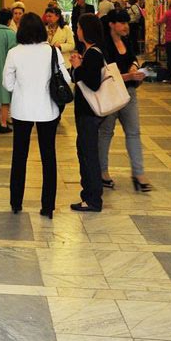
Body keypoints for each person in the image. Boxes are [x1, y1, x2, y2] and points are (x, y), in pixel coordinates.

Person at [3, 13, 69, 219]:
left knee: (19, 156)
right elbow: (66, 78)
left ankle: (16, 202)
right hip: (47, 110)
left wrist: (21, 88)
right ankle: (47, 206)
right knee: (48, 157)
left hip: (22, 110)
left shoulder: (14, 53)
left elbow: (7, 84)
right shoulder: (52, 52)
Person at [99, 10, 153, 192]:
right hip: (111, 93)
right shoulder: (104, 45)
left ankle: (138, 173)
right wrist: (129, 75)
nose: (126, 26)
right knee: (106, 132)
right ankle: (102, 171)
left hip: (129, 93)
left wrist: (135, 67)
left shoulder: (127, 41)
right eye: (122, 23)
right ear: (111, 24)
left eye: (126, 23)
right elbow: (106, 74)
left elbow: (134, 59)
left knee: (133, 132)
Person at [68, 13, 106, 213]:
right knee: (85, 151)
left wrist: (77, 67)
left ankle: (92, 198)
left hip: (88, 112)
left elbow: (92, 82)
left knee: (88, 154)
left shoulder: (94, 54)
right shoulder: (90, 52)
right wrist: (78, 66)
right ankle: (89, 196)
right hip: (88, 112)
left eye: (79, 27)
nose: (77, 31)